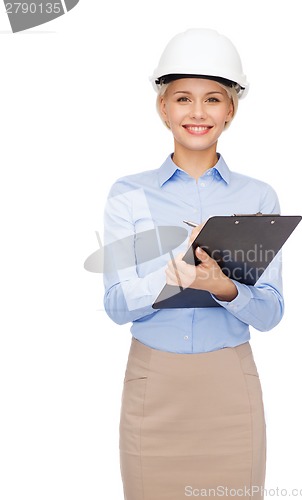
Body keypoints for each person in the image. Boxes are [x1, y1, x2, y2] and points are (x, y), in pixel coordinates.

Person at [103, 28, 284, 500]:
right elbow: (117, 306)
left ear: (231, 110)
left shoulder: (258, 196)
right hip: (154, 387)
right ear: (163, 108)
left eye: (213, 99)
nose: (198, 112)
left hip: (229, 389)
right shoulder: (129, 194)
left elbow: (270, 313)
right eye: (183, 98)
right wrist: (166, 280)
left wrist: (222, 286)